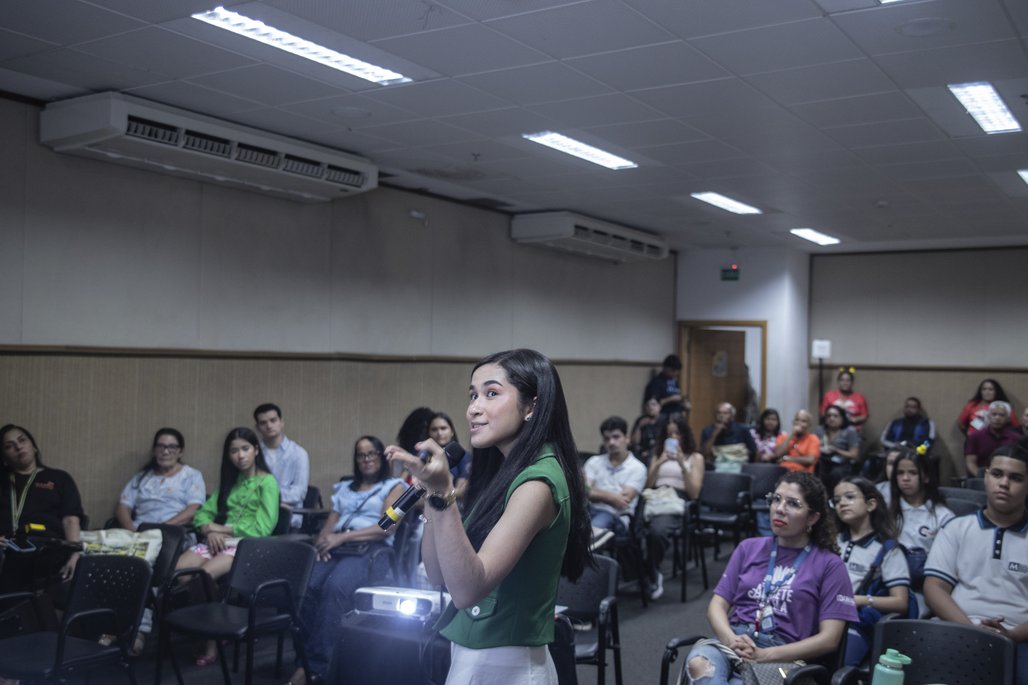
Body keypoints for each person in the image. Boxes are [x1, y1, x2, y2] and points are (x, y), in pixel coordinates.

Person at [385, 348, 592, 685]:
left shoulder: (539, 482)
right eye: (472, 395)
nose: (473, 409)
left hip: (507, 662)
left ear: (531, 406)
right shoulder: (502, 473)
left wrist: (444, 495)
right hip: (475, 654)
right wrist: (431, 499)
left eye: (491, 393)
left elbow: (467, 590)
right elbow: (438, 574)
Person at [685, 472, 856, 685]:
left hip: (785, 653)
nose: (780, 509)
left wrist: (764, 655)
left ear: (813, 517)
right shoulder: (748, 548)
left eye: (793, 504)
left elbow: (830, 639)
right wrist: (732, 641)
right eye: (776, 499)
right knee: (699, 664)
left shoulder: (829, 564)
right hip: (735, 640)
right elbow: (716, 607)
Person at [290, 436, 406, 685]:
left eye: (372, 453)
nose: (366, 459)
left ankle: (318, 667)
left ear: (381, 457)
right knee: (306, 587)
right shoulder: (345, 488)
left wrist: (341, 538)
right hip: (338, 548)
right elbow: (329, 526)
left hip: (371, 550)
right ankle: (306, 660)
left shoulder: (394, 486)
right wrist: (322, 543)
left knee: (334, 587)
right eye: (361, 455)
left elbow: (386, 527)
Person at [924, 442, 1028, 685]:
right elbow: (934, 588)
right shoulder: (957, 528)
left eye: (1015, 478)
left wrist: (1011, 635)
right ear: (986, 477)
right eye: (997, 474)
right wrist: (971, 629)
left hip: (1021, 638)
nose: (1004, 483)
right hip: (957, 627)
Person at [176, 427, 279, 667]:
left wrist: (220, 529)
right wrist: (207, 529)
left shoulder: (267, 482)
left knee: (202, 575)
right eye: (234, 451)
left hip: (247, 544)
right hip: (218, 540)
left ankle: (212, 636)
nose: (240, 456)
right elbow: (203, 515)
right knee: (181, 573)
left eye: (245, 449)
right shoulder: (231, 481)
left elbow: (263, 528)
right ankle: (214, 622)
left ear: (255, 450)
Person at [832, 476, 911, 666]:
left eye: (849, 497)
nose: (842, 503)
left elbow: (901, 602)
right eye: (836, 500)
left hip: (856, 622)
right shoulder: (833, 540)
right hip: (824, 614)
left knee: (834, 667)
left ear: (871, 504)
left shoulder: (886, 549)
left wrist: (859, 600)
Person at [0, 424, 85, 594]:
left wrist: (75, 554)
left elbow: (70, 519)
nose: (18, 447)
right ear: (4, 456)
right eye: (9, 446)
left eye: (22, 440)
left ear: (34, 446)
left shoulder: (59, 478)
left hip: (48, 553)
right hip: (6, 553)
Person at [886, 446, 954, 617]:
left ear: (926, 476)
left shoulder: (943, 516)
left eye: (912, 473)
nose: (905, 479)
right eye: (900, 473)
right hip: (888, 582)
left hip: (922, 587)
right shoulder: (886, 511)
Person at [643, 417, 703, 600]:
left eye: (677, 433)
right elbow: (647, 485)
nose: (674, 437)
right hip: (654, 496)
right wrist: (659, 463)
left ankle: (652, 574)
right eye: (669, 434)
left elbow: (694, 494)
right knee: (628, 529)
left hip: (677, 498)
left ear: (685, 435)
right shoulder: (658, 454)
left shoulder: (695, 457)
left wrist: (681, 465)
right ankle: (642, 572)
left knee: (657, 531)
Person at [115, 428, 206, 531]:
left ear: (180, 452)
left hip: (173, 533)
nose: (165, 452)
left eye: (172, 447)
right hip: (140, 532)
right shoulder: (141, 477)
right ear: (154, 450)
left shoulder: (192, 475)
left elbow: (194, 508)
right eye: (160, 446)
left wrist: (162, 528)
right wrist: (131, 529)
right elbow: (123, 506)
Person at [583, 416, 647, 544]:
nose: (611, 442)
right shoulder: (594, 462)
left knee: (592, 533)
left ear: (627, 438)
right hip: (588, 511)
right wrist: (611, 496)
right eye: (607, 438)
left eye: (616, 437)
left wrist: (594, 493)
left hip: (617, 517)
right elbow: (584, 491)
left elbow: (622, 501)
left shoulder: (638, 467)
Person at [254, 403, 310, 530]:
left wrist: (267, 497)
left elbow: (299, 493)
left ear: (281, 422)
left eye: (273, 420)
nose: (269, 426)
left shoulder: (299, 454)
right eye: (263, 423)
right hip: (256, 518)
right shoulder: (254, 453)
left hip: (288, 519)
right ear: (257, 427)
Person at [964, 401, 1021, 476]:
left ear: (1008, 419)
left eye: (1001, 415)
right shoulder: (975, 436)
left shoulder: (1016, 439)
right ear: (988, 416)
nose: (997, 418)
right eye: (994, 414)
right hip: (979, 479)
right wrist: (983, 478)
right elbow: (970, 463)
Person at [700, 402, 757, 472]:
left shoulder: (742, 429)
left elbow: (754, 451)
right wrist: (714, 435)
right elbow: (703, 454)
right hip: (717, 466)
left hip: (739, 465)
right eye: (719, 413)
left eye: (725, 413)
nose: (721, 416)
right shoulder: (708, 430)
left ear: (732, 416)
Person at [429, 411, 472, 504]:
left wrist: (436, 496)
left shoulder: (463, 456)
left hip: (452, 505)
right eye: (434, 429)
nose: (439, 433)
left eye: (443, 428)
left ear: (452, 432)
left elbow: (461, 490)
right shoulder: (424, 455)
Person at [817, 406, 862, 491]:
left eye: (835, 416)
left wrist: (836, 450)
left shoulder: (849, 431)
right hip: (823, 460)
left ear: (842, 418)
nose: (831, 418)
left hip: (842, 463)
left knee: (836, 473)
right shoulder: (820, 430)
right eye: (829, 416)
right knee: (818, 468)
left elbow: (854, 454)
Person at [644, 354, 688, 419]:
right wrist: (671, 399)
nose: (675, 373)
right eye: (673, 370)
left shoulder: (674, 381)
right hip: (664, 416)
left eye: (677, 371)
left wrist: (684, 403)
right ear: (665, 368)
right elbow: (654, 404)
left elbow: (678, 398)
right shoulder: (656, 382)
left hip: (677, 414)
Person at [630, 396, 664, 465]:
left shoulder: (664, 421)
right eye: (648, 405)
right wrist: (639, 427)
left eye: (653, 404)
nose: (650, 407)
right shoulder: (641, 420)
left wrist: (650, 452)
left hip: (658, 452)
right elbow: (635, 442)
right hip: (641, 453)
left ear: (659, 406)